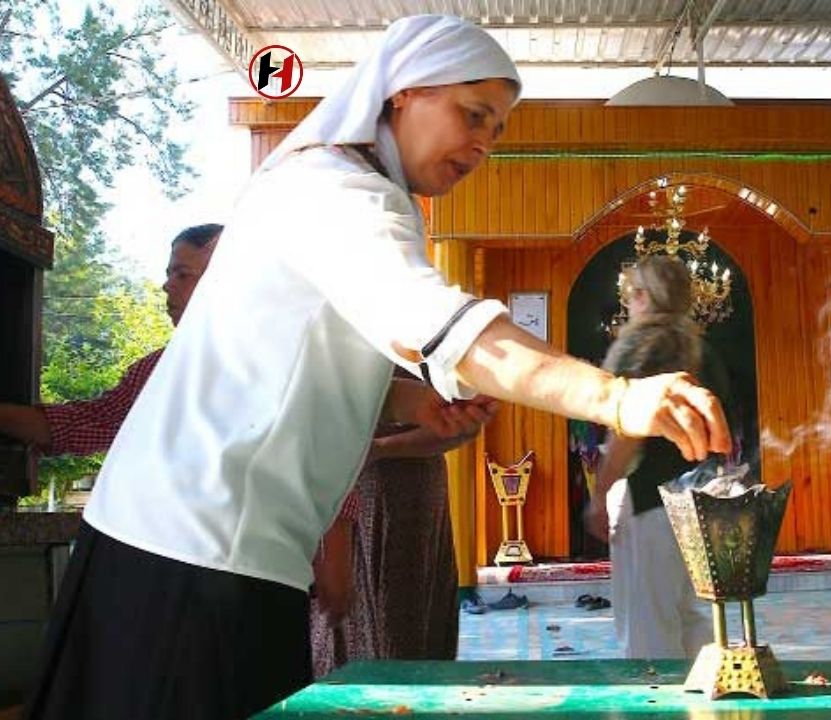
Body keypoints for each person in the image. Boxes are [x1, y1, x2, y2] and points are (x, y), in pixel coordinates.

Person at [24, 15, 728, 720]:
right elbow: (446, 324)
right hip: (190, 549)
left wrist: (402, 401)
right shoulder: (335, 189)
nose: (483, 143)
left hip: (217, 546)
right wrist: (613, 395)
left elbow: (293, 360)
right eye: (473, 114)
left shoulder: (355, 191)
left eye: (497, 129)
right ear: (401, 94)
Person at [586, 256, 732, 659]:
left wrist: (600, 496)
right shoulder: (702, 349)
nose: (629, 303)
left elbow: (626, 435)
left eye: (632, 293)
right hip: (701, 502)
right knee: (685, 613)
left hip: (651, 501)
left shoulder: (645, 348)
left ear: (645, 298)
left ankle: (653, 704)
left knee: (646, 624)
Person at [310, 370, 495, 675]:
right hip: (352, 490)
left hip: (408, 499)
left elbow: (465, 426)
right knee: (343, 626)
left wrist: (379, 449)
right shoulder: (341, 348)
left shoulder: (424, 342)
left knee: (402, 629)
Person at [0, 224, 221, 455]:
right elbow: (89, 421)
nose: (166, 286)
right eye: (169, 274)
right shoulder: (155, 370)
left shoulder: (258, 363)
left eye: (183, 274)